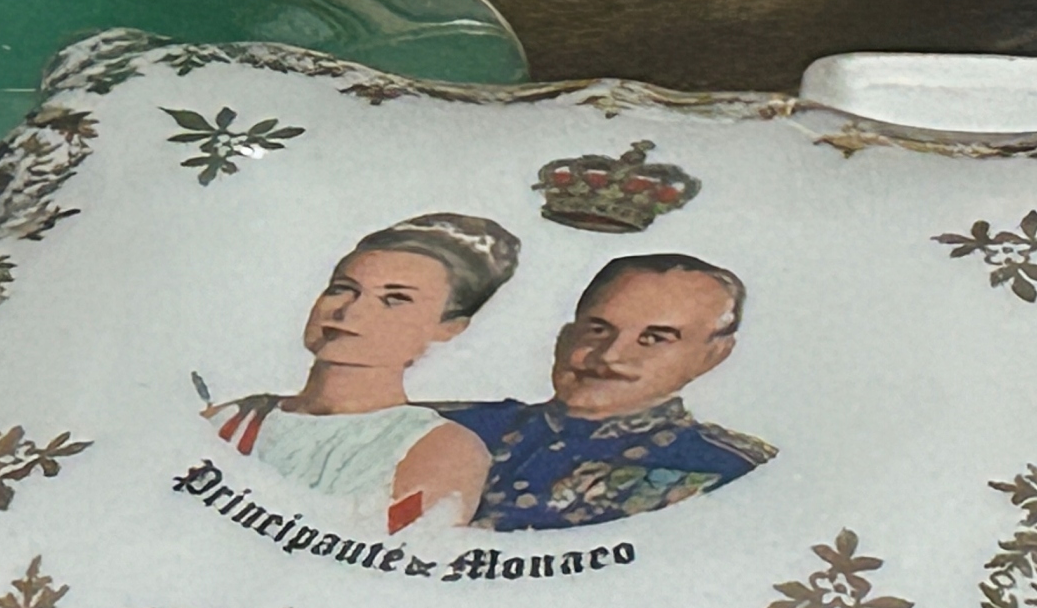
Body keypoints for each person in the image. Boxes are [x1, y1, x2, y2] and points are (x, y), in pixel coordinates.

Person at [204, 213, 519, 530]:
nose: (350, 311)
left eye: (395, 299)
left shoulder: (442, 449)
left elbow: (390, 551)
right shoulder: (228, 419)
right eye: (342, 289)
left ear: (449, 327)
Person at [437, 253, 775, 531]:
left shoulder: (735, 469)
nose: (610, 355)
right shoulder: (440, 424)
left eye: (653, 339)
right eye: (598, 330)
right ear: (565, 337)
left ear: (713, 355)